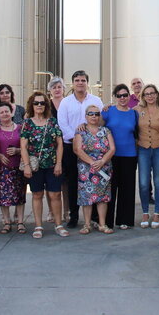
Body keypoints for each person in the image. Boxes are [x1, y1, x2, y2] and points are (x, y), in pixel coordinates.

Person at [57, 70, 103, 228]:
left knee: (93, 181)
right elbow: (62, 123)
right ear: (73, 83)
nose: (80, 82)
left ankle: (95, 217)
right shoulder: (65, 102)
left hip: (92, 149)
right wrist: (76, 137)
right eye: (77, 80)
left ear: (87, 82)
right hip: (70, 146)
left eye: (83, 80)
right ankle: (74, 216)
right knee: (72, 182)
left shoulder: (96, 100)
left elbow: (100, 121)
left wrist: (87, 140)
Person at [20, 91, 66, 238]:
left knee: (55, 194)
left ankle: (58, 225)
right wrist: (26, 165)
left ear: (46, 105)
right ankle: (38, 226)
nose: (39, 105)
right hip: (35, 166)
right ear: (31, 105)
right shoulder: (27, 123)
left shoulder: (52, 121)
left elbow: (59, 144)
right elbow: (23, 146)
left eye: (42, 103)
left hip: (52, 164)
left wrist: (59, 163)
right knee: (37, 194)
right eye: (36, 103)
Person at [134, 84, 159, 228]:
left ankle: (157, 212)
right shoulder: (137, 110)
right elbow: (124, 114)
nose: (150, 96)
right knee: (144, 182)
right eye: (147, 94)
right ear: (143, 96)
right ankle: (145, 212)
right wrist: (107, 108)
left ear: (157, 95)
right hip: (143, 149)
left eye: (152, 93)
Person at [74, 104, 116, 234]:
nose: (94, 116)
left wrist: (102, 161)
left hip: (103, 168)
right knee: (86, 197)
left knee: (102, 197)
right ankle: (87, 224)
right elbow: (77, 149)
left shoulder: (106, 131)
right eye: (91, 114)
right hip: (86, 169)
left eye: (97, 114)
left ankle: (102, 224)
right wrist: (92, 163)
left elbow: (112, 148)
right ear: (86, 116)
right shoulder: (80, 131)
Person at [103, 84, 138, 229]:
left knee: (127, 189)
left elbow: (137, 134)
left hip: (130, 155)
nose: (122, 98)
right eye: (119, 95)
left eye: (125, 95)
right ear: (115, 97)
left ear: (129, 96)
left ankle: (125, 220)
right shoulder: (108, 111)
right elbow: (95, 125)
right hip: (111, 155)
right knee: (110, 188)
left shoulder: (134, 113)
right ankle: (107, 221)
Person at [0, 102, 27, 234]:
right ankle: (6, 222)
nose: (5, 114)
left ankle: (20, 222)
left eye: (7, 111)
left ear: (11, 113)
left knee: (20, 194)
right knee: (3, 196)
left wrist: (18, 150)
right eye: (2, 112)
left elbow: (27, 146)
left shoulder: (20, 128)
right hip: (1, 168)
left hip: (18, 166)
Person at [47, 76, 66, 221]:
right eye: (54, 87)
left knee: (66, 180)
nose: (57, 89)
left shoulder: (68, 103)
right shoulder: (46, 105)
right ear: (50, 91)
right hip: (50, 146)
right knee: (51, 180)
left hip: (67, 144)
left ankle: (67, 211)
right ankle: (51, 211)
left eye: (59, 87)